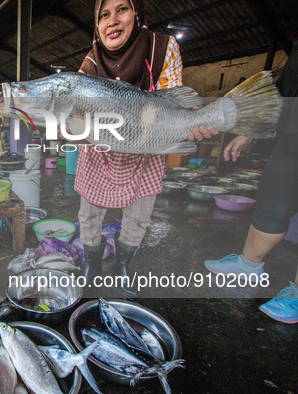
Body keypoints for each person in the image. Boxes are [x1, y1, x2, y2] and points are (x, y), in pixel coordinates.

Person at [73, 0, 217, 296]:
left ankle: (122, 264)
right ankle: (92, 264)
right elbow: (76, 115)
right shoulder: (90, 62)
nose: (112, 21)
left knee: (139, 213)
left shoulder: (163, 48)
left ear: (137, 14)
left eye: (122, 9)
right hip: (100, 148)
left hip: (147, 146)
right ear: (97, 25)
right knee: (89, 212)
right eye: (104, 15)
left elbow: (170, 104)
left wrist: (191, 122)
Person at [204, 42, 298, 324]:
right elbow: (286, 88)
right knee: (272, 202)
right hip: (291, 137)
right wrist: (254, 130)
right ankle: (249, 264)